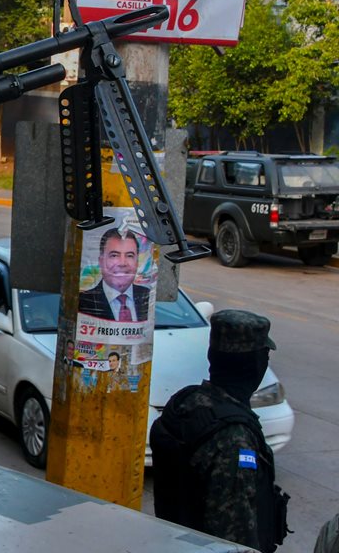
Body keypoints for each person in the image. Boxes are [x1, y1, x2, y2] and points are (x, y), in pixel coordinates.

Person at [151, 310, 290, 552]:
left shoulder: (187, 404)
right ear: (257, 364)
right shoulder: (233, 437)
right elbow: (234, 536)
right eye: (265, 355)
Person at [77, 229, 151, 322]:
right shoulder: (82, 302)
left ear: (137, 262)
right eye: (114, 255)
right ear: (101, 261)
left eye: (129, 256)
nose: (122, 263)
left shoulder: (148, 297)